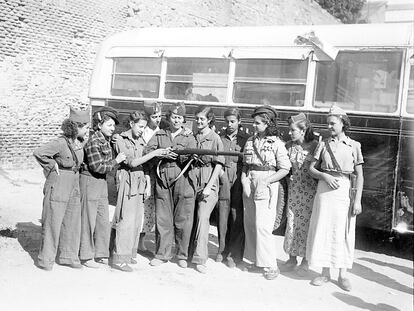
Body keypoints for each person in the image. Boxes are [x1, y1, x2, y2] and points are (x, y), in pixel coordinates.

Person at [307, 105, 364, 291]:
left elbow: (360, 175)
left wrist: (357, 200)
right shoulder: (323, 144)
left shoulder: (354, 145)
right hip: (325, 190)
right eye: (328, 123)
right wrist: (325, 176)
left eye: (333, 123)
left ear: (343, 123)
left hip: (344, 191)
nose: (329, 126)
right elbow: (312, 169)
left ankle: (342, 275)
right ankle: (324, 273)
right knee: (324, 229)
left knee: (343, 231)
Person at [109, 111, 170, 272]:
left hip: (140, 181)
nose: (142, 130)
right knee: (125, 220)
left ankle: (128, 254)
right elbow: (132, 162)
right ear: (131, 124)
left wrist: (148, 183)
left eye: (144, 127)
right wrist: (154, 153)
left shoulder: (141, 139)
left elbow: (146, 165)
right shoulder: (121, 139)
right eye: (140, 126)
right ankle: (119, 257)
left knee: (136, 221)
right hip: (128, 180)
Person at [33, 107, 90, 270]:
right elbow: (39, 153)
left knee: (72, 220)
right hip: (59, 182)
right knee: (53, 221)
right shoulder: (60, 142)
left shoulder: (79, 142)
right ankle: (46, 260)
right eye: (85, 126)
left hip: (74, 182)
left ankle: (68, 256)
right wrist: (52, 164)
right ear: (76, 126)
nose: (87, 129)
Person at [241, 105, 291, 280]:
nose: (254, 126)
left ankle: (271, 265)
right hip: (250, 183)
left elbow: (285, 168)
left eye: (257, 123)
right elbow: (245, 165)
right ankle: (256, 261)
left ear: (267, 123)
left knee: (263, 226)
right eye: (254, 123)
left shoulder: (276, 143)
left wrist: (267, 181)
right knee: (251, 224)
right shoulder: (249, 141)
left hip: (267, 184)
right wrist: (244, 181)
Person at [145, 102, 197, 269]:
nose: (176, 120)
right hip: (163, 179)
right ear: (169, 118)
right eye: (174, 117)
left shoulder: (189, 137)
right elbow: (147, 152)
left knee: (183, 219)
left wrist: (180, 157)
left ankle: (182, 255)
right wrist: (161, 154)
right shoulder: (159, 135)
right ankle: (162, 254)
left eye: (179, 117)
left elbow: (194, 156)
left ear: (184, 120)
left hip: (183, 179)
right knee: (163, 218)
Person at [79, 107, 126, 268]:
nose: (113, 129)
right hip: (90, 181)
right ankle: (85, 256)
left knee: (102, 219)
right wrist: (116, 161)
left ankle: (101, 253)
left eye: (113, 126)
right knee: (88, 220)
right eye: (110, 125)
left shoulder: (105, 140)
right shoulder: (93, 141)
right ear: (99, 125)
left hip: (101, 183)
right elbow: (97, 167)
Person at [282, 113, 318, 275]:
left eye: (293, 130)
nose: (290, 133)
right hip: (294, 190)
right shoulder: (288, 146)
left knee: (308, 225)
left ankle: (305, 261)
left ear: (303, 131)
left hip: (311, 191)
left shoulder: (315, 146)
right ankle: (292, 257)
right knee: (292, 223)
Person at [190, 107, 225, 274]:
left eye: (202, 119)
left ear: (209, 120)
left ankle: (200, 259)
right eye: (197, 119)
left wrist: (209, 186)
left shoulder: (215, 138)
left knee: (203, 220)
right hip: (192, 179)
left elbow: (219, 164)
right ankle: (186, 254)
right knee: (190, 219)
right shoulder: (193, 135)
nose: (199, 122)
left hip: (208, 182)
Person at [216, 108, 249, 268]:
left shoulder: (245, 140)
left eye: (233, 121)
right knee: (223, 215)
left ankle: (234, 255)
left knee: (236, 216)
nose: (229, 124)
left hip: (237, 180)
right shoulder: (220, 138)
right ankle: (222, 250)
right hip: (222, 179)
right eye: (227, 121)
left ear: (239, 122)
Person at [138, 100, 163, 253]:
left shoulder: (162, 131)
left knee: (151, 209)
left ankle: (143, 240)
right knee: (142, 206)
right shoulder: (143, 132)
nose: (157, 119)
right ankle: (136, 240)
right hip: (143, 171)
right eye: (154, 116)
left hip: (157, 173)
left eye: (159, 116)